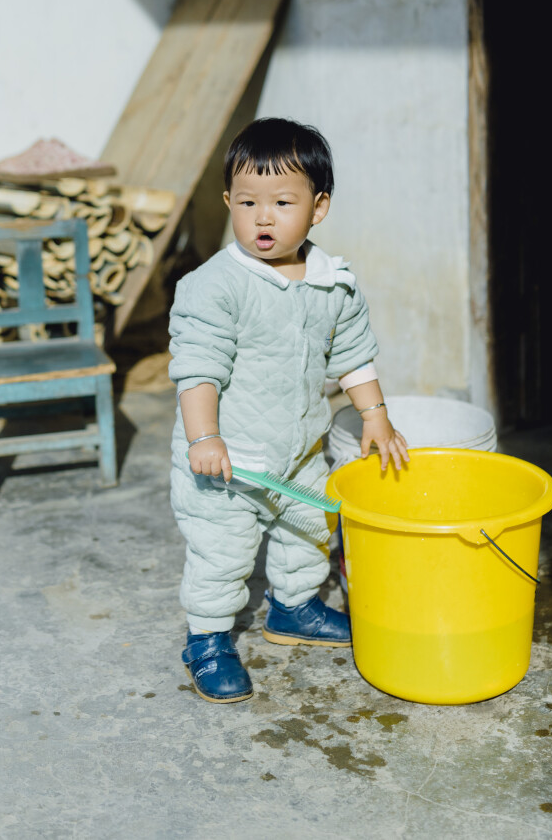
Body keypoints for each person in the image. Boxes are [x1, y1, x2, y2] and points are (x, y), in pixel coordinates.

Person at [168, 116, 409, 703]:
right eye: (247, 201)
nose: (263, 217)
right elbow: (198, 366)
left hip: (299, 450)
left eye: (282, 201)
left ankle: (294, 607)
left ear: (318, 207)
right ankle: (207, 638)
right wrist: (204, 439)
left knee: (308, 532)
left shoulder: (333, 282)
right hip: (228, 462)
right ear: (228, 201)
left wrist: (374, 414)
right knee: (221, 554)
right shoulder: (216, 285)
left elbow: (352, 352)